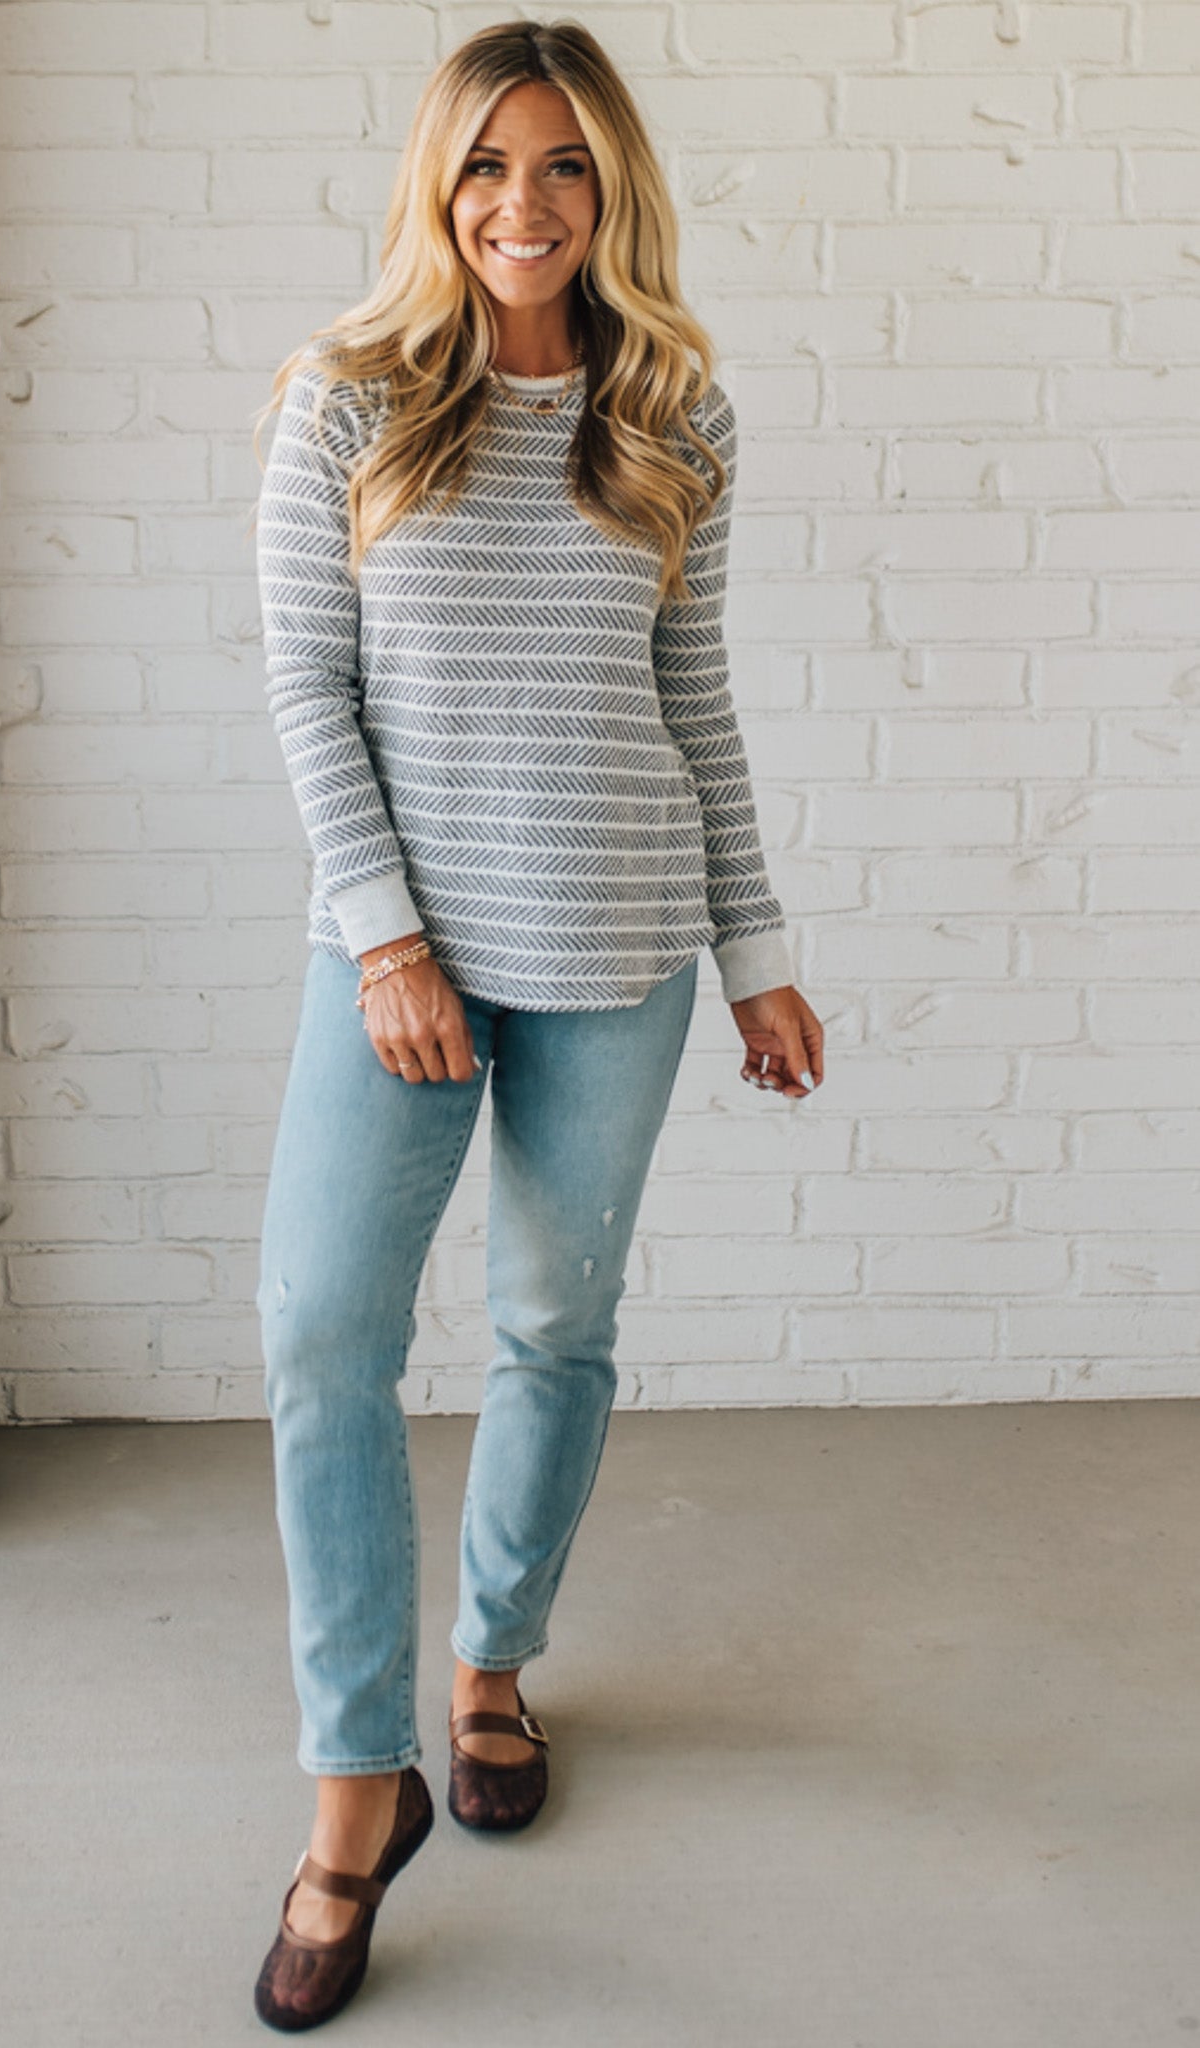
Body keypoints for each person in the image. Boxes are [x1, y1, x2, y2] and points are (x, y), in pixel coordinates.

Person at [249, 16, 825, 2031]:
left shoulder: (673, 409)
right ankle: (352, 1793)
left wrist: (752, 947)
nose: (523, 204)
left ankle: (489, 1667)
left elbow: (699, 705)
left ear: (611, 192)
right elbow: (309, 697)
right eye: (488, 165)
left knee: (551, 1325)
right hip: (395, 957)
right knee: (322, 1331)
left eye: (564, 166)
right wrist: (389, 942)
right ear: (436, 182)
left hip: (617, 944)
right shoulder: (344, 402)